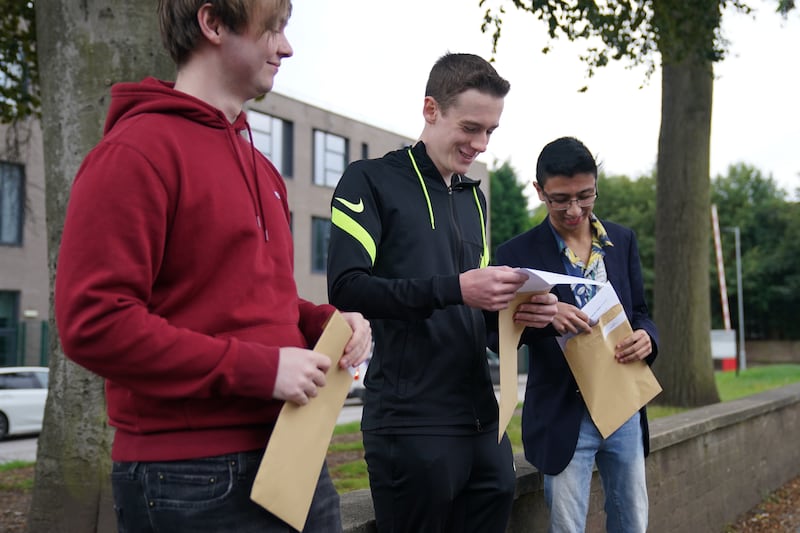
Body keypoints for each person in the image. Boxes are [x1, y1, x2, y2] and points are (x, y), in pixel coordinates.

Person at [54, 1, 371, 531]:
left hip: (292, 454)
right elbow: (93, 324)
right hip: (189, 477)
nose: (287, 48)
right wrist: (264, 369)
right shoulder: (135, 153)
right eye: (273, 30)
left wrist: (326, 325)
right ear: (214, 24)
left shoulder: (263, 167)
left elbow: (250, 297)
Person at [326, 52, 558, 533]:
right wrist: (454, 288)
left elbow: (476, 316)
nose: (481, 144)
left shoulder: (474, 198)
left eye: (491, 132)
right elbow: (347, 289)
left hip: (482, 422)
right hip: (409, 423)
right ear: (431, 109)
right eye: (471, 127)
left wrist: (524, 316)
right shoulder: (368, 180)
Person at [496, 136, 659, 533]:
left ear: (596, 184)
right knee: (567, 527)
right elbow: (498, 336)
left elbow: (641, 312)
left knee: (632, 523)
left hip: (623, 407)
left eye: (586, 196)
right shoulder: (515, 254)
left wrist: (648, 338)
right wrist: (544, 316)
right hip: (563, 414)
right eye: (560, 199)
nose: (574, 210)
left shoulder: (623, 241)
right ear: (539, 191)